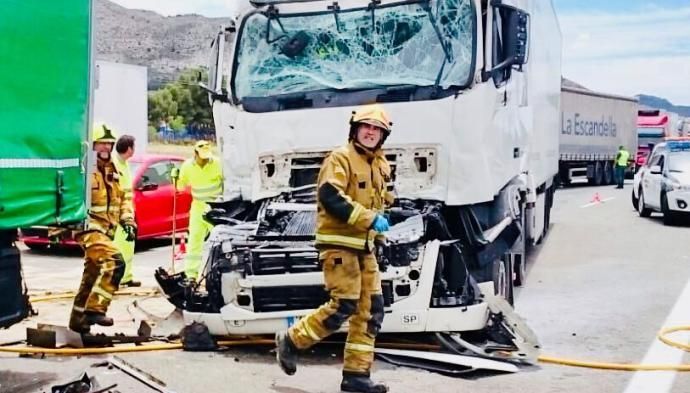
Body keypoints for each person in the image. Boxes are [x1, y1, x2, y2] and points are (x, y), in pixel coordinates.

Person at [275, 104, 395, 393]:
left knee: (371, 311)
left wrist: (381, 233)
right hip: (340, 246)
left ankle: (356, 376)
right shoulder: (340, 158)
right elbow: (331, 197)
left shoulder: (380, 164)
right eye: (366, 127)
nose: (371, 132)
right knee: (345, 305)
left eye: (377, 129)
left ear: (383, 135)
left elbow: (382, 200)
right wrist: (370, 219)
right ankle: (292, 340)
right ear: (355, 130)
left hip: (366, 248)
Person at [69, 124, 136, 333]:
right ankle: (96, 309)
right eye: (101, 143)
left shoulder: (112, 169)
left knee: (92, 274)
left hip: (107, 230)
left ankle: (78, 321)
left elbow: (123, 196)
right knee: (115, 262)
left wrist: (127, 219)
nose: (106, 147)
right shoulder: (83, 170)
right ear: (92, 145)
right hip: (89, 228)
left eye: (109, 143)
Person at [172, 140, 223, 281]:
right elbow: (180, 188)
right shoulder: (188, 166)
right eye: (202, 157)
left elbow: (227, 183)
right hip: (198, 207)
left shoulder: (218, 163)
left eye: (207, 156)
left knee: (220, 241)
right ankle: (191, 275)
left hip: (216, 207)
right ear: (195, 154)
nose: (205, 160)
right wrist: (176, 179)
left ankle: (218, 274)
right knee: (194, 240)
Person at [112, 135, 140, 287]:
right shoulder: (114, 164)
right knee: (119, 245)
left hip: (128, 211)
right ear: (128, 148)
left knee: (128, 245)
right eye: (133, 146)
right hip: (119, 212)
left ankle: (127, 277)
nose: (134, 150)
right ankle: (117, 278)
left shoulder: (124, 164)